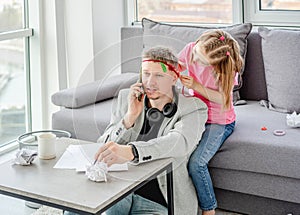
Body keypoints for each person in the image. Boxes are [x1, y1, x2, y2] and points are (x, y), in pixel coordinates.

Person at [64, 46, 207, 215]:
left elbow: (179, 143)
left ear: (174, 78)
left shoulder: (194, 108)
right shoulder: (127, 98)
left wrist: (132, 151)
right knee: (74, 210)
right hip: (121, 190)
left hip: (160, 202)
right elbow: (103, 145)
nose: (150, 82)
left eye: (159, 75)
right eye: (146, 73)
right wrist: (129, 117)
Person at [178, 30, 244, 215]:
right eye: (197, 54)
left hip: (219, 120)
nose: (195, 60)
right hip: (195, 113)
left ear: (216, 64)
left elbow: (223, 99)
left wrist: (196, 86)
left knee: (197, 163)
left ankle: (209, 209)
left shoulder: (226, 69)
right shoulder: (192, 49)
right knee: (177, 153)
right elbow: (176, 64)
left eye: (202, 61)